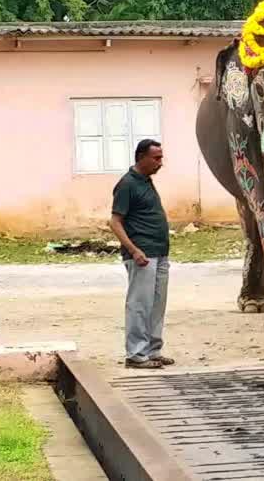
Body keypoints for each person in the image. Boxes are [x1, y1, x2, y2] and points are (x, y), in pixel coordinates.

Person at [110, 140, 172, 370]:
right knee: (139, 304)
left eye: (161, 158)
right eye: (156, 158)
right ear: (141, 157)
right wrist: (134, 250)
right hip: (142, 254)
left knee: (157, 304)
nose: (160, 163)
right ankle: (135, 354)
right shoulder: (127, 184)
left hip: (160, 252)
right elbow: (115, 222)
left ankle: (153, 350)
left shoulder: (146, 182)